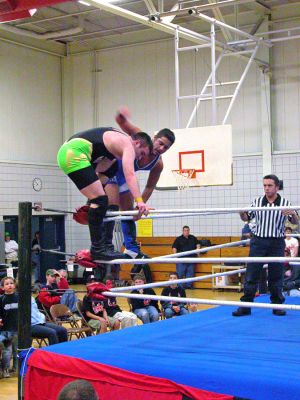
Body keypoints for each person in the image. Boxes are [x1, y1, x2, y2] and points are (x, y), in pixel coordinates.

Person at [57, 125, 153, 261]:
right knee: (101, 199)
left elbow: (100, 172)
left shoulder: (115, 143)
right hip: (73, 154)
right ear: (137, 143)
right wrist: (140, 201)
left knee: (112, 168)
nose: (139, 158)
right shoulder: (127, 145)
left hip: (75, 153)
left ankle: (91, 206)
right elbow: (130, 174)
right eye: (142, 153)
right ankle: (98, 249)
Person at [104, 107, 175, 259]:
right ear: (155, 138)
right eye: (160, 143)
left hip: (124, 178)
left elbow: (150, 186)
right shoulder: (141, 137)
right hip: (109, 170)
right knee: (112, 206)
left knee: (129, 212)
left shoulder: (158, 164)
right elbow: (121, 122)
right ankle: (105, 245)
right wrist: (122, 115)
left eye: (166, 148)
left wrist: (140, 206)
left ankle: (131, 247)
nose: (161, 148)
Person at [232, 174, 299, 317]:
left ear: (277, 187)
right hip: (258, 241)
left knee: (276, 275)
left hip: (276, 242)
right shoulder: (257, 201)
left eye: (269, 185)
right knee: (251, 274)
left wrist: (293, 214)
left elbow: (295, 223)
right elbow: (246, 218)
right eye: (265, 185)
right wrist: (241, 213)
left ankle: (277, 305)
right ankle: (246, 306)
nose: (266, 188)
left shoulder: (285, 203)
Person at [0, 276, 18, 378]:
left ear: (14, 285)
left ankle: (16, 367)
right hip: (6, 330)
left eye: (11, 283)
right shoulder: (1, 299)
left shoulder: (19, 297)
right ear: (2, 287)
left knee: (17, 350)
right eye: (7, 284)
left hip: (18, 329)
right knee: (7, 351)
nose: (10, 285)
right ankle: (5, 369)